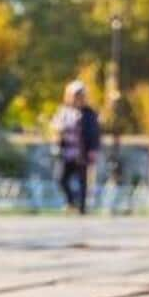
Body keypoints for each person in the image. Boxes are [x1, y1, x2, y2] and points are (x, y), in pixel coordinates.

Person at [50, 80, 101, 214]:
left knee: (82, 181)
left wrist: (93, 150)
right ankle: (72, 201)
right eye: (74, 95)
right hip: (66, 152)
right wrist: (57, 137)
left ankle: (82, 208)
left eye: (80, 95)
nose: (77, 98)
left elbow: (94, 133)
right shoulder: (63, 111)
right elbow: (55, 127)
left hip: (82, 153)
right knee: (61, 179)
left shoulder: (89, 113)